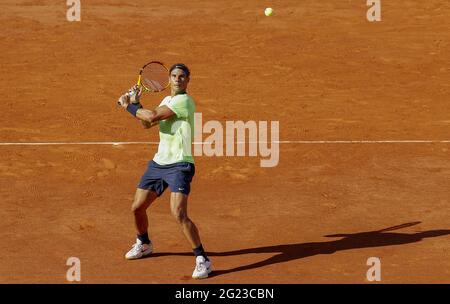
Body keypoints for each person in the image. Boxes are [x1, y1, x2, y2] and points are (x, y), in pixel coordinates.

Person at [117, 63, 212, 279]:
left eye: (182, 76)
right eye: (174, 76)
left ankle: (202, 259)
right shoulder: (166, 100)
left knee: (178, 212)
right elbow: (147, 124)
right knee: (137, 207)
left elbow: (150, 117)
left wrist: (128, 106)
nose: (178, 79)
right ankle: (144, 243)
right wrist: (136, 102)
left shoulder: (184, 101)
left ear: (188, 80)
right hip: (159, 163)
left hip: (180, 164)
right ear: (169, 79)